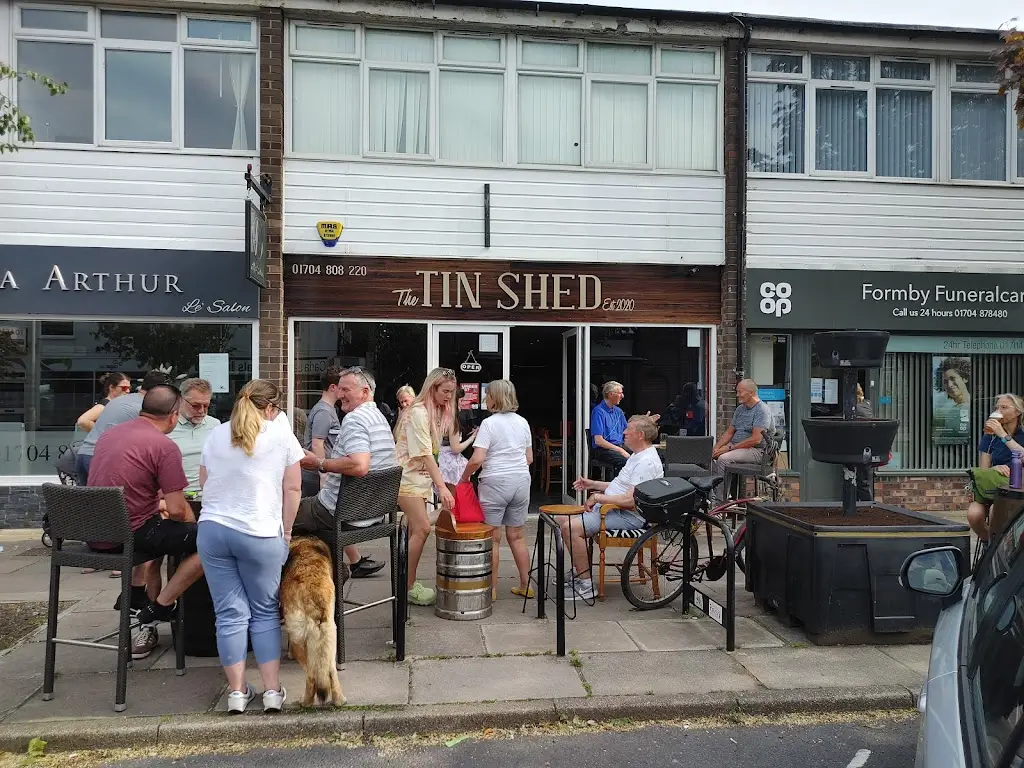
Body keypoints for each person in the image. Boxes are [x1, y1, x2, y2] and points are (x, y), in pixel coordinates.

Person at [197, 379, 303, 714]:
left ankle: (237, 693)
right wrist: (286, 532)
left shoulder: (215, 433)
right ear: (271, 408)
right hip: (259, 531)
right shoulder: (280, 435)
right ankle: (272, 691)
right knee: (264, 612)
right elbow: (293, 490)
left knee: (229, 614)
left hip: (213, 530)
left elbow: (203, 482)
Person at [87, 385, 205, 660]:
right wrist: (193, 525)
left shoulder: (110, 435)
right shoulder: (163, 446)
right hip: (131, 536)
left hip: (96, 535)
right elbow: (178, 511)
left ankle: (137, 597)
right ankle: (161, 606)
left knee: (161, 534)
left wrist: (159, 506)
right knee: (211, 541)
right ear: (174, 415)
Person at [294, 366, 398, 564]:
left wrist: (320, 463)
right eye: (339, 389)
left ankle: (297, 583)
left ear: (365, 392)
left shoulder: (355, 419)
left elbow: (359, 465)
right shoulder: (380, 420)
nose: (340, 395)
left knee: (282, 514)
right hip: (373, 514)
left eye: (346, 390)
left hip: (343, 514)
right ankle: (338, 570)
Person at [560, 416, 663, 601]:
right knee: (562, 521)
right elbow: (621, 486)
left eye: (628, 429)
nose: (623, 432)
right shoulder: (637, 456)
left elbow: (630, 500)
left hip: (631, 516)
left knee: (570, 528)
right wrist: (592, 484)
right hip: (616, 509)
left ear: (639, 435)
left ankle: (585, 585)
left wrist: (598, 496)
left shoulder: (646, 462)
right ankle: (579, 569)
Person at [459, 380, 532, 600]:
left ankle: (490, 591)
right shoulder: (523, 422)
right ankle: (526, 585)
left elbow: (477, 459)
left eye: (487, 394)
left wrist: (465, 477)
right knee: (517, 536)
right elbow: (528, 458)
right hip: (521, 480)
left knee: (494, 538)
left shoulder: (490, 424)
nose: (485, 398)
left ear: (495, 398)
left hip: (495, 483)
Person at [394, 368, 457, 607]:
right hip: (407, 479)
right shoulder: (418, 413)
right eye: (445, 392)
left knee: (415, 530)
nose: (449, 397)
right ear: (432, 388)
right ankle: (407, 587)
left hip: (417, 480)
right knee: (421, 529)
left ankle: (407, 582)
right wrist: (442, 488)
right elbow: (426, 455)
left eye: (452, 392)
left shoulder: (433, 412)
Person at [76, 370, 172, 486]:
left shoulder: (116, 401)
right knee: (113, 502)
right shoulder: (145, 409)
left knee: (86, 502)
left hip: (84, 455)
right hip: (102, 459)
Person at [967, 393, 1024, 542]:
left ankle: (998, 545)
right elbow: (984, 469)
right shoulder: (990, 436)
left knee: (996, 512)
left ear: (1017, 412)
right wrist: (995, 469)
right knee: (974, 514)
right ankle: (990, 543)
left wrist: (1003, 435)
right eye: (997, 407)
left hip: (1019, 491)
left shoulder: (1022, 433)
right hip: (994, 488)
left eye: (1004, 407)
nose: (998, 411)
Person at [711, 379, 774, 500]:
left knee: (724, 459)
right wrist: (716, 448)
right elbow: (729, 432)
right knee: (710, 457)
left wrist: (729, 448)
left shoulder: (762, 410)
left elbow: (756, 439)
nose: (737, 395)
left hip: (756, 451)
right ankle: (720, 495)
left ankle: (720, 502)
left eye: (740, 392)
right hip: (737, 448)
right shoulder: (740, 409)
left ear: (750, 393)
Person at [167, 378, 220, 504]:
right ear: (180, 400)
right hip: (176, 497)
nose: (201, 411)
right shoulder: (167, 426)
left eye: (206, 406)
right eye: (195, 406)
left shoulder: (215, 425)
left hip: (207, 497)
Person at [590, 381, 630, 471]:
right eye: (620, 393)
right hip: (603, 450)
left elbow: (627, 431)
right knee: (625, 461)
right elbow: (598, 441)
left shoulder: (619, 411)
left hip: (620, 446)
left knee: (643, 458)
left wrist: (644, 422)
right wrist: (620, 450)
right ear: (611, 394)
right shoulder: (598, 411)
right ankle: (618, 485)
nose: (622, 396)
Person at [932, 358, 971, 444]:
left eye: (953, 378)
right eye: (945, 382)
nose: (949, 385)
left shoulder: (976, 406)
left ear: (965, 378)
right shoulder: (944, 411)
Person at [855, 383, 875, 502]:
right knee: (864, 479)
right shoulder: (868, 403)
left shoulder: (856, 407)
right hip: (868, 445)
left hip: (859, 444)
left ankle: (866, 504)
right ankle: (867, 504)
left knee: (860, 479)